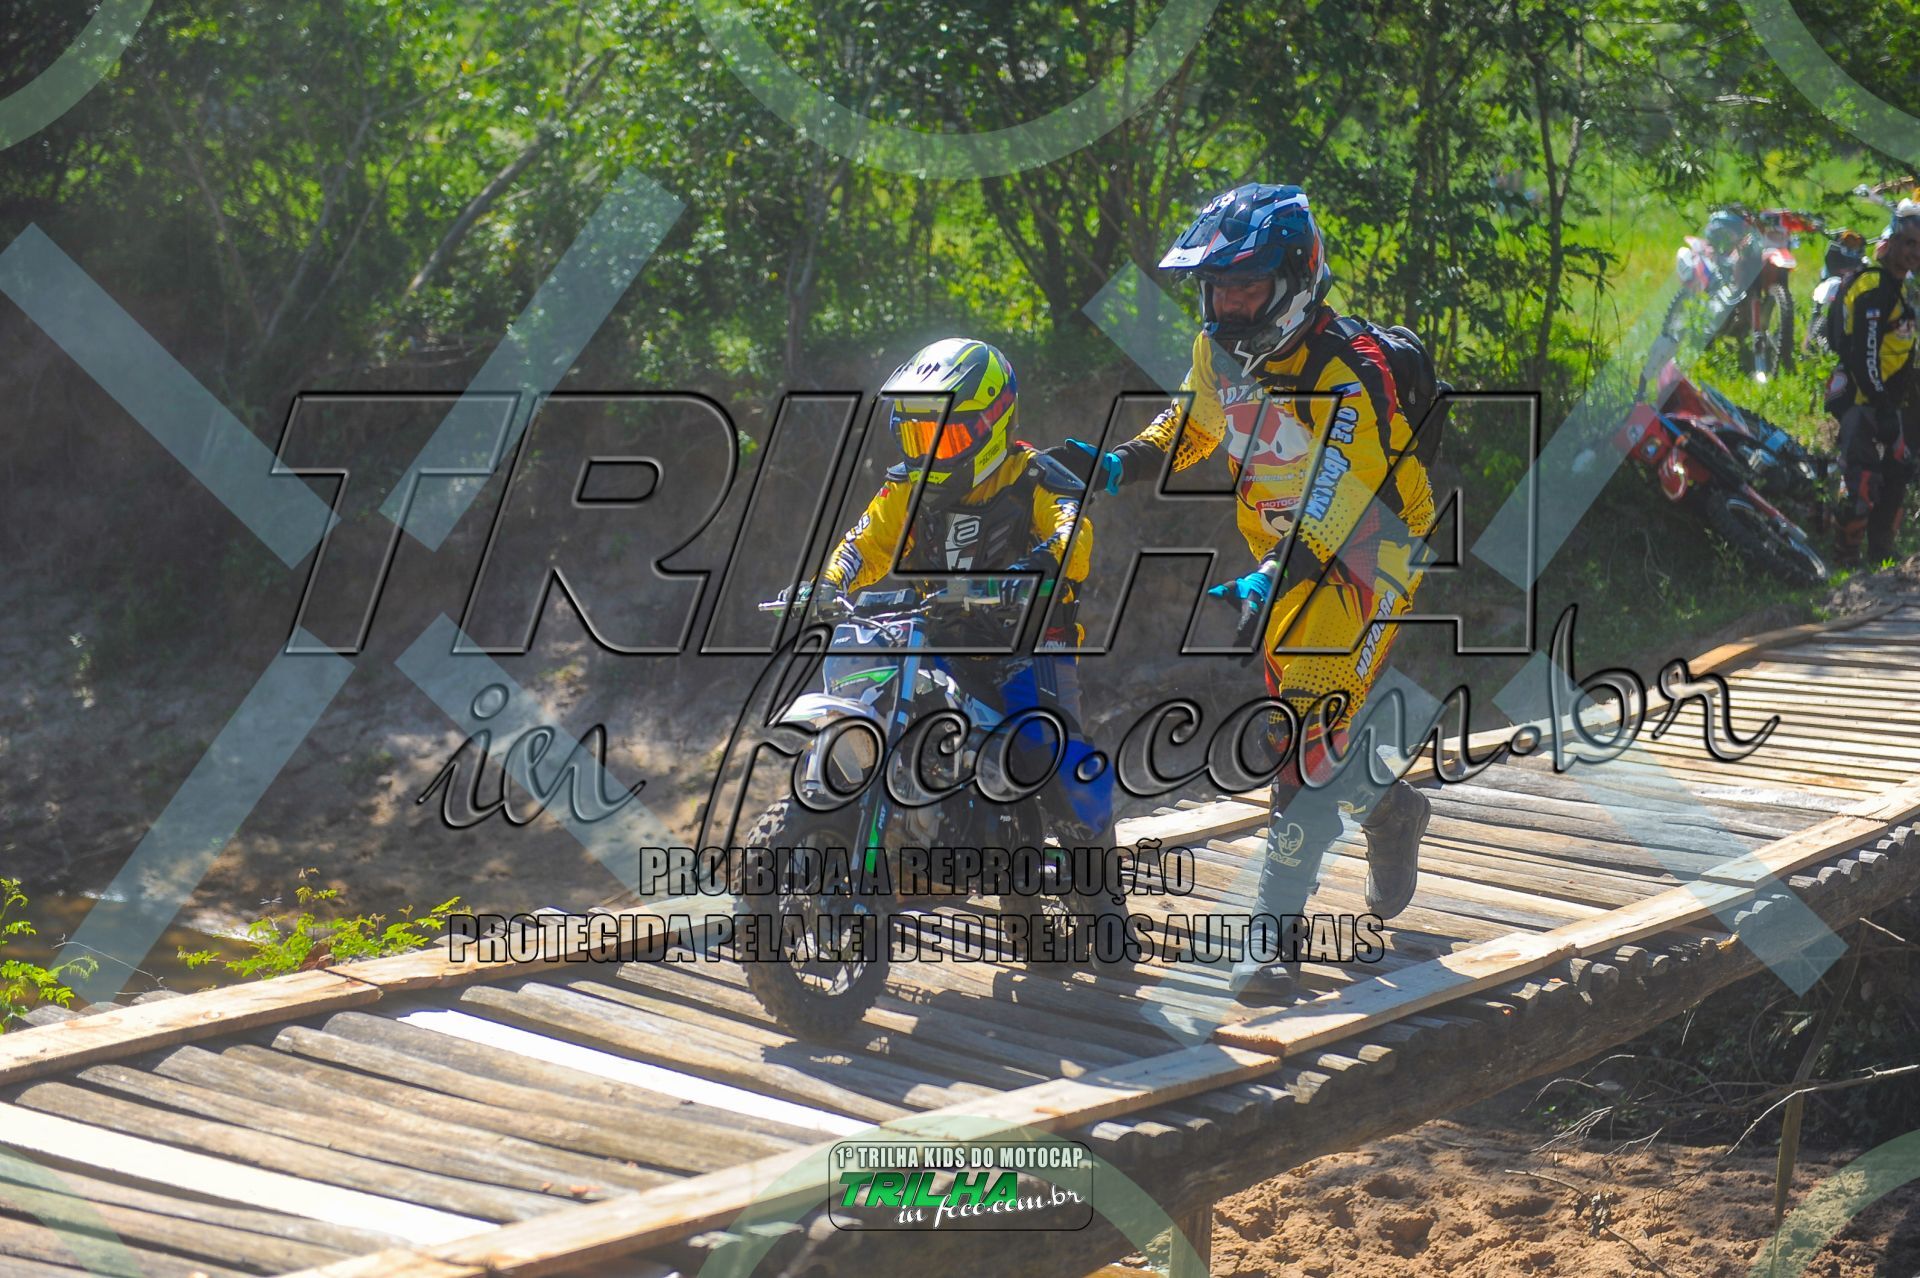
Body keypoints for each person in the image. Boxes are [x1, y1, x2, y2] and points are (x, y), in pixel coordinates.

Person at [1051, 183, 1438, 1002]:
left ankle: (1273, 933)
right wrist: (1118, 464)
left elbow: (1343, 500)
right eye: (1217, 287)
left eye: (1246, 286)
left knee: (1298, 729)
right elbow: (1193, 423)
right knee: (1313, 734)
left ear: (1295, 278)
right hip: (1283, 556)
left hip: (1373, 555)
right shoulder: (1217, 350)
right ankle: (1390, 809)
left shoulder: (1348, 370)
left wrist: (1271, 574)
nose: (1227, 304)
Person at [813, 336, 1114, 851]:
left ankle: (1100, 884)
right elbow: (865, 543)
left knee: (1047, 751)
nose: (929, 453)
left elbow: (1073, 535)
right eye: (917, 437)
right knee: (872, 704)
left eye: (945, 437)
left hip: (1027, 647)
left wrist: (1036, 567)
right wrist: (829, 583)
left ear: (992, 425)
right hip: (939, 638)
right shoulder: (906, 487)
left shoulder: (1035, 477)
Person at [1825, 215, 1920, 565]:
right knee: (1861, 479)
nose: (1914, 252)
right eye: (1909, 243)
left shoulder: (1899, 287)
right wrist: (1881, 405)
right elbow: (1864, 354)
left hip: (1884, 401)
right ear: (1890, 244)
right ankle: (1845, 559)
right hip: (1861, 400)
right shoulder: (1874, 288)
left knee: (1898, 470)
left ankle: (1881, 551)